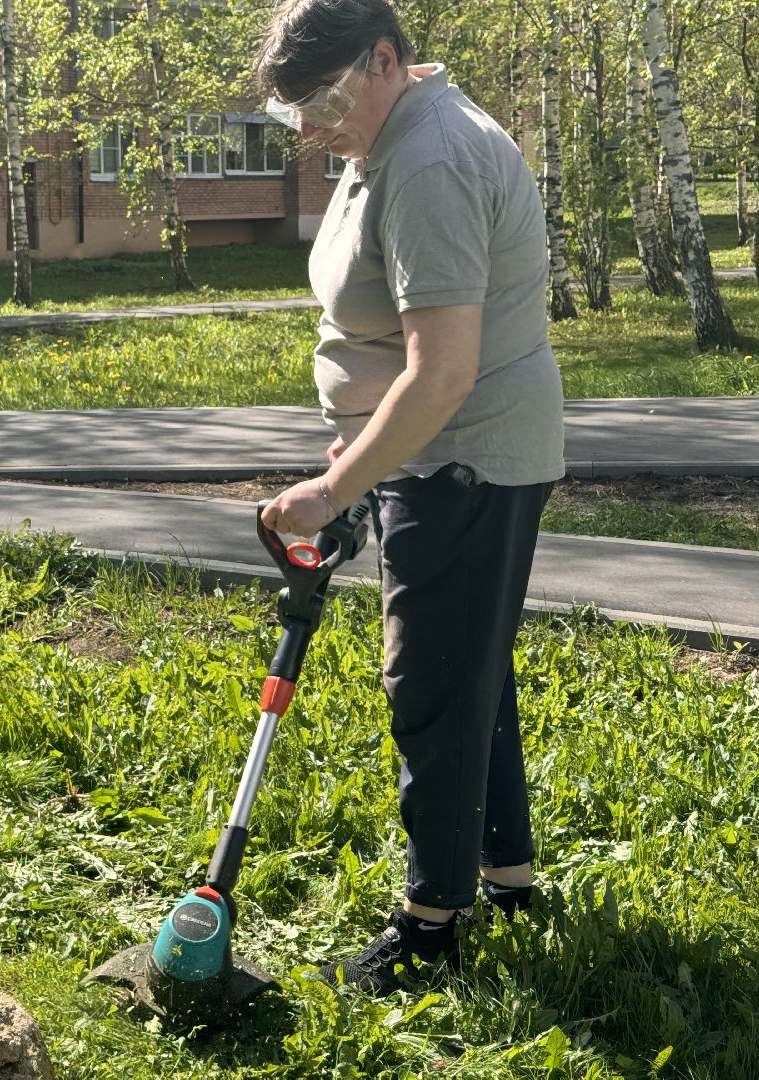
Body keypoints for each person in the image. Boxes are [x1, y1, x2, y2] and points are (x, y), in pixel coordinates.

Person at [252, 0, 565, 995]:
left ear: (385, 58)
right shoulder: (383, 136)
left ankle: (431, 930)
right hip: (428, 455)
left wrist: (334, 488)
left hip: (462, 456)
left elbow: (441, 375)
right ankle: (508, 883)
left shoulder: (428, 160)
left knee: (429, 684)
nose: (310, 129)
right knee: (471, 669)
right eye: (292, 112)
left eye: (325, 101)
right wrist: (356, 450)